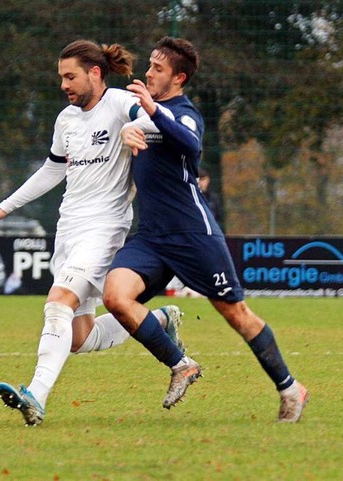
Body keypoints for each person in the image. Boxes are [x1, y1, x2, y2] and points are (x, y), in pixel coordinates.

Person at [0, 39, 185, 426]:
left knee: (57, 304)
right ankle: (160, 321)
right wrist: (4, 207)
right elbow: (53, 170)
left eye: (70, 76)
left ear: (95, 73)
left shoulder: (119, 103)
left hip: (104, 229)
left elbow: (156, 121)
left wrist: (134, 132)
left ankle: (36, 394)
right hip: (67, 230)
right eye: (61, 77)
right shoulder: (66, 119)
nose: (64, 85)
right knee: (80, 336)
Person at [103, 37, 309, 422]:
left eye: (159, 68)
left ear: (178, 78)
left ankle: (290, 388)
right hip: (151, 238)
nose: (149, 72)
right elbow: (132, 135)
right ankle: (180, 364)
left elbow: (190, 144)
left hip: (194, 235)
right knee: (115, 296)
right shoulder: (144, 115)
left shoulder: (184, 113)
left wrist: (152, 113)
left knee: (237, 315)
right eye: (150, 64)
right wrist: (129, 132)